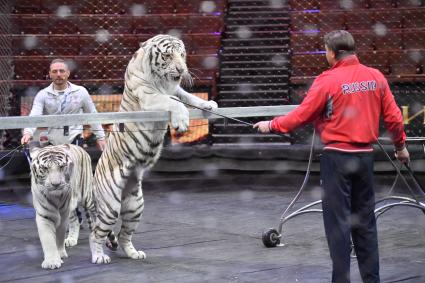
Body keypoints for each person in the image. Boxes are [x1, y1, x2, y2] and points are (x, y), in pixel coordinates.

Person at [254, 30, 409, 283]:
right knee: (366, 224)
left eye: (325, 51)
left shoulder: (327, 80)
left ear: (333, 53)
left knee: (338, 226)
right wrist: (400, 146)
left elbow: (301, 115)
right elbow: (393, 117)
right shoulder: (376, 76)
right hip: (365, 159)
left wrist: (271, 125)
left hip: (337, 160)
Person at [20, 58, 106, 150]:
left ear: (68, 73)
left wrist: (101, 137)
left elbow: (92, 114)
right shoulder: (42, 94)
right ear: (50, 74)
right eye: (54, 71)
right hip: (52, 142)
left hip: (75, 140)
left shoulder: (81, 91)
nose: (58, 74)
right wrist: (28, 133)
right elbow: (34, 116)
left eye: (61, 71)